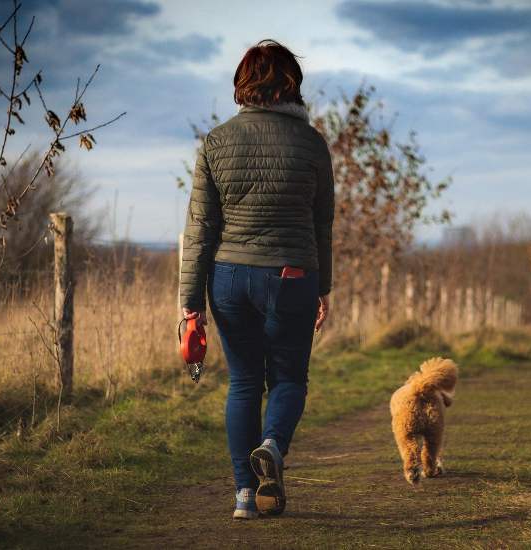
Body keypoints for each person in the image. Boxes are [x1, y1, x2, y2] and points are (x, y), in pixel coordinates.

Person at [179, 39, 334, 519]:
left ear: (243, 85)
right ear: (292, 85)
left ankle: (245, 495)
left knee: (244, 382)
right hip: (291, 275)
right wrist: (323, 286)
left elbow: (200, 227)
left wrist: (190, 301)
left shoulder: (216, 141)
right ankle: (272, 444)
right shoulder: (311, 143)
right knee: (288, 378)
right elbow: (322, 223)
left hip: (227, 278)